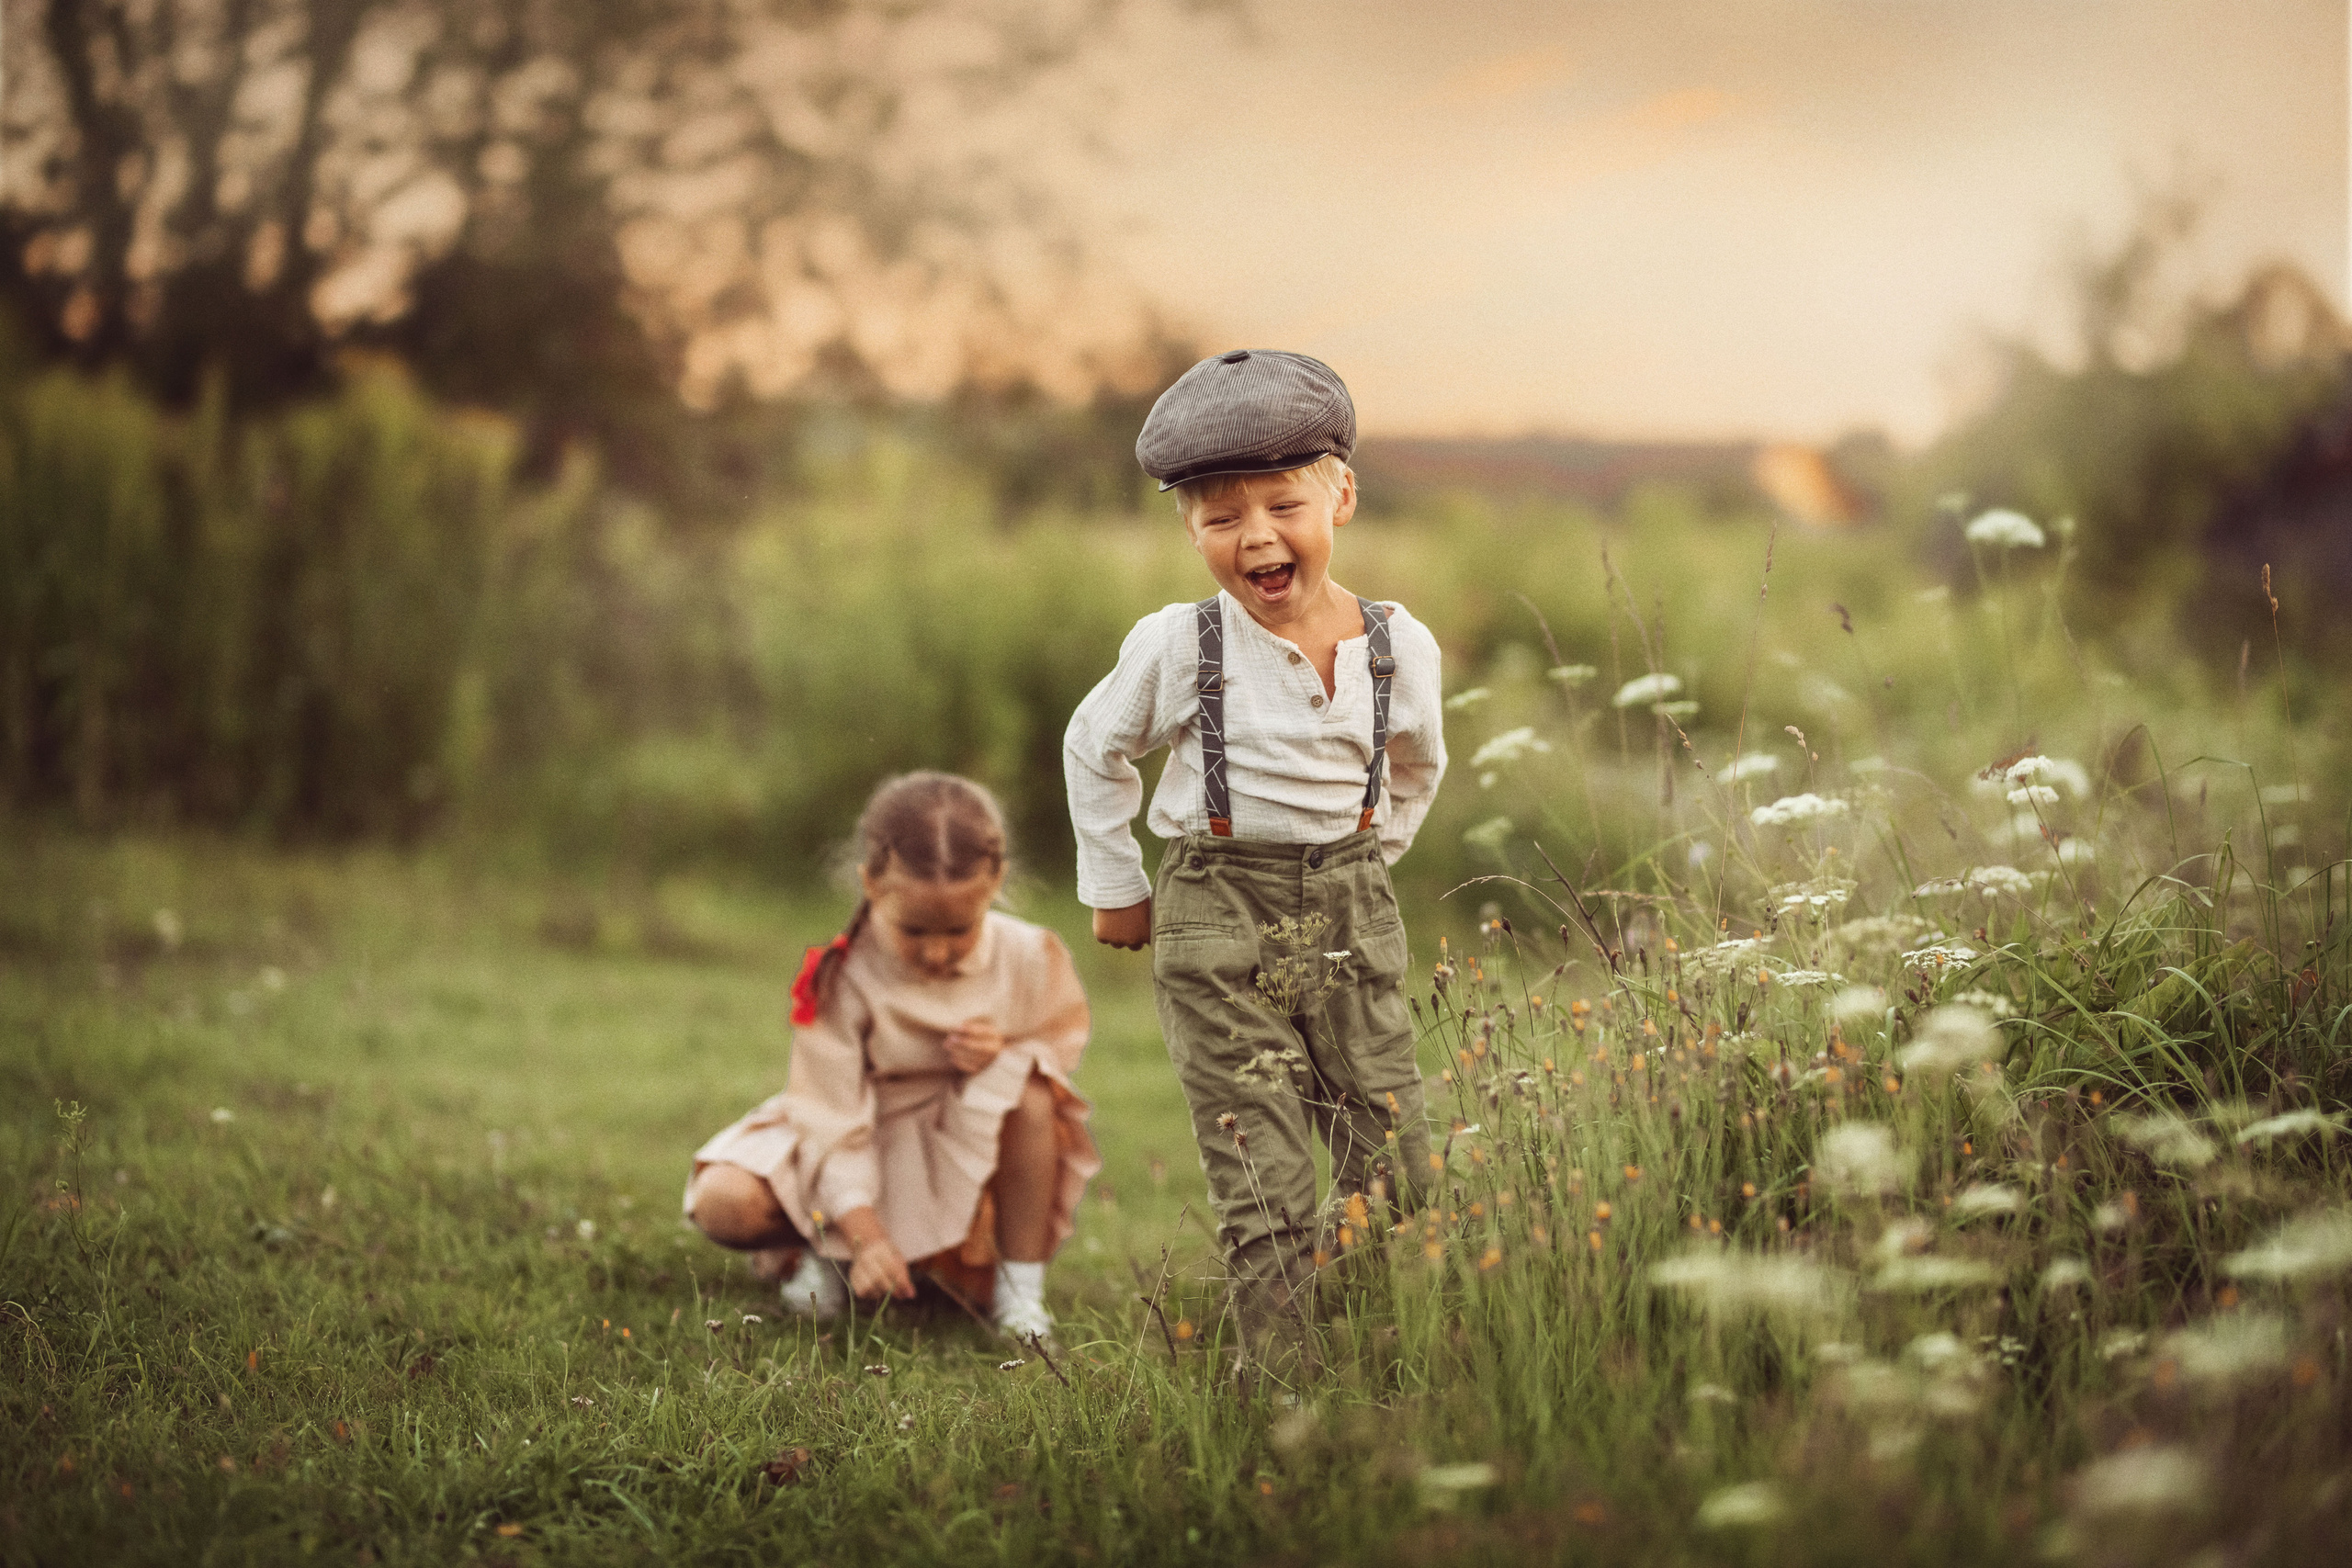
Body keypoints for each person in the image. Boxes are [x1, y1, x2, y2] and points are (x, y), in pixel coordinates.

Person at [1062, 349, 1447, 1367]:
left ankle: (1361, 1343)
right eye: (1222, 519)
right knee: (1264, 1166)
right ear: (1189, 528)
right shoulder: (1182, 644)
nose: (1258, 537)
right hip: (1216, 910)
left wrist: (1369, 858)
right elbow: (1092, 746)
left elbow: (1415, 767)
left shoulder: (1397, 646)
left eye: (1284, 505)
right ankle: (1278, 1375)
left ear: (1342, 498)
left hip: (1351, 907)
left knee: (1395, 1155)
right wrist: (1117, 884)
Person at [684, 772, 1098, 1343]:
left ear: (996, 882)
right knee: (724, 1203)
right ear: (871, 884)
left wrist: (1002, 1049)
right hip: (855, 1132)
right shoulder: (844, 973)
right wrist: (864, 1233)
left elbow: (1058, 1043)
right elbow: (829, 1119)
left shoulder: (1027, 953)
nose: (936, 951)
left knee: (1031, 1092)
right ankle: (830, 1253)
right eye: (914, 930)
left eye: (959, 930)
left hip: (960, 1136)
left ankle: (1020, 1294)